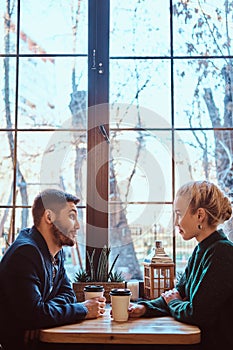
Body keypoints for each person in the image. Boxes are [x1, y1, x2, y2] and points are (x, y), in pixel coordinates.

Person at [128, 180, 233, 350]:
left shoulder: (222, 252)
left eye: (178, 213)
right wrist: (143, 308)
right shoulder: (202, 250)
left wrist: (174, 303)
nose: (175, 222)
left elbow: (197, 313)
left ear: (200, 215)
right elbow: (178, 293)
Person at [0, 189, 106, 350]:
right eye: (71, 216)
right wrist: (84, 309)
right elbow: (35, 314)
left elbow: (68, 294)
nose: (77, 225)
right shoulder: (26, 253)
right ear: (49, 217)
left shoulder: (56, 251)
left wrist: (44, 315)